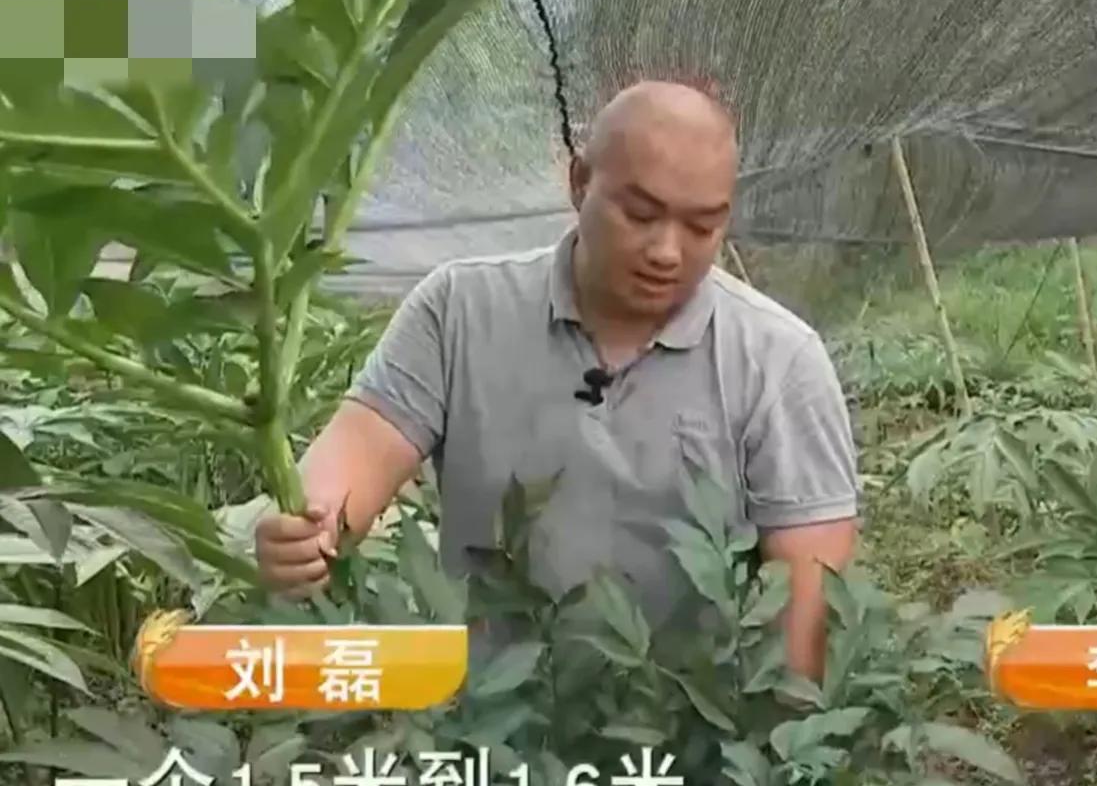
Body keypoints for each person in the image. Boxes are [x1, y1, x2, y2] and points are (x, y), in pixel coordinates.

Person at [253, 78, 861, 685]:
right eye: (641, 214)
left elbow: (806, 620)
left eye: (701, 227)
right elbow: (354, 458)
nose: (667, 252)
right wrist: (310, 528)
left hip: (685, 736)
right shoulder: (460, 309)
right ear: (579, 183)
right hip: (485, 721)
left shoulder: (779, 362)